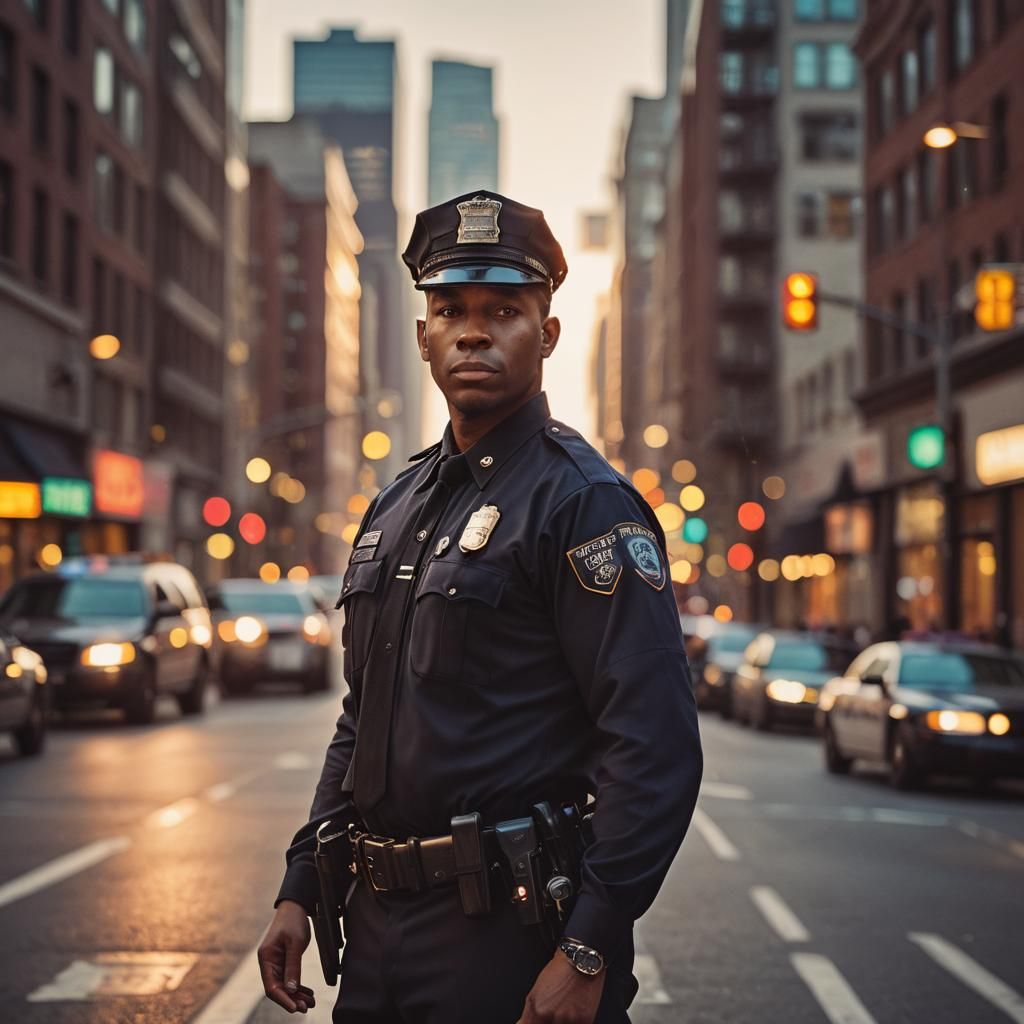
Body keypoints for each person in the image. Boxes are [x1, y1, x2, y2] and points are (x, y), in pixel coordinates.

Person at [258, 190, 703, 1023]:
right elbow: (363, 718)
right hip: (378, 934)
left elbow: (655, 744)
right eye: (450, 309)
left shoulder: (584, 505)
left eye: (503, 310)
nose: (472, 331)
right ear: (422, 334)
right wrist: (302, 882)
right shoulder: (395, 506)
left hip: (511, 936)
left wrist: (590, 944)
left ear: (548, 333)